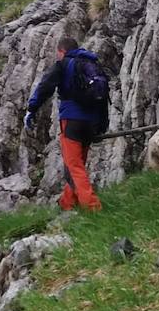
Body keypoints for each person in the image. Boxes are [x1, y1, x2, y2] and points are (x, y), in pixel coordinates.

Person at [24, 36, 110, 212]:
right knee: (77, 163)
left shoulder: (64, 64)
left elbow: (44, 87)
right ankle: (68, 203)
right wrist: (101, 124)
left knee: (74, 165)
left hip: (71, 121)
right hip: (91, 122)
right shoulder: (91, 63)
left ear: (62, 51)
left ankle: (93, 207)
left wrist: (31, 109)